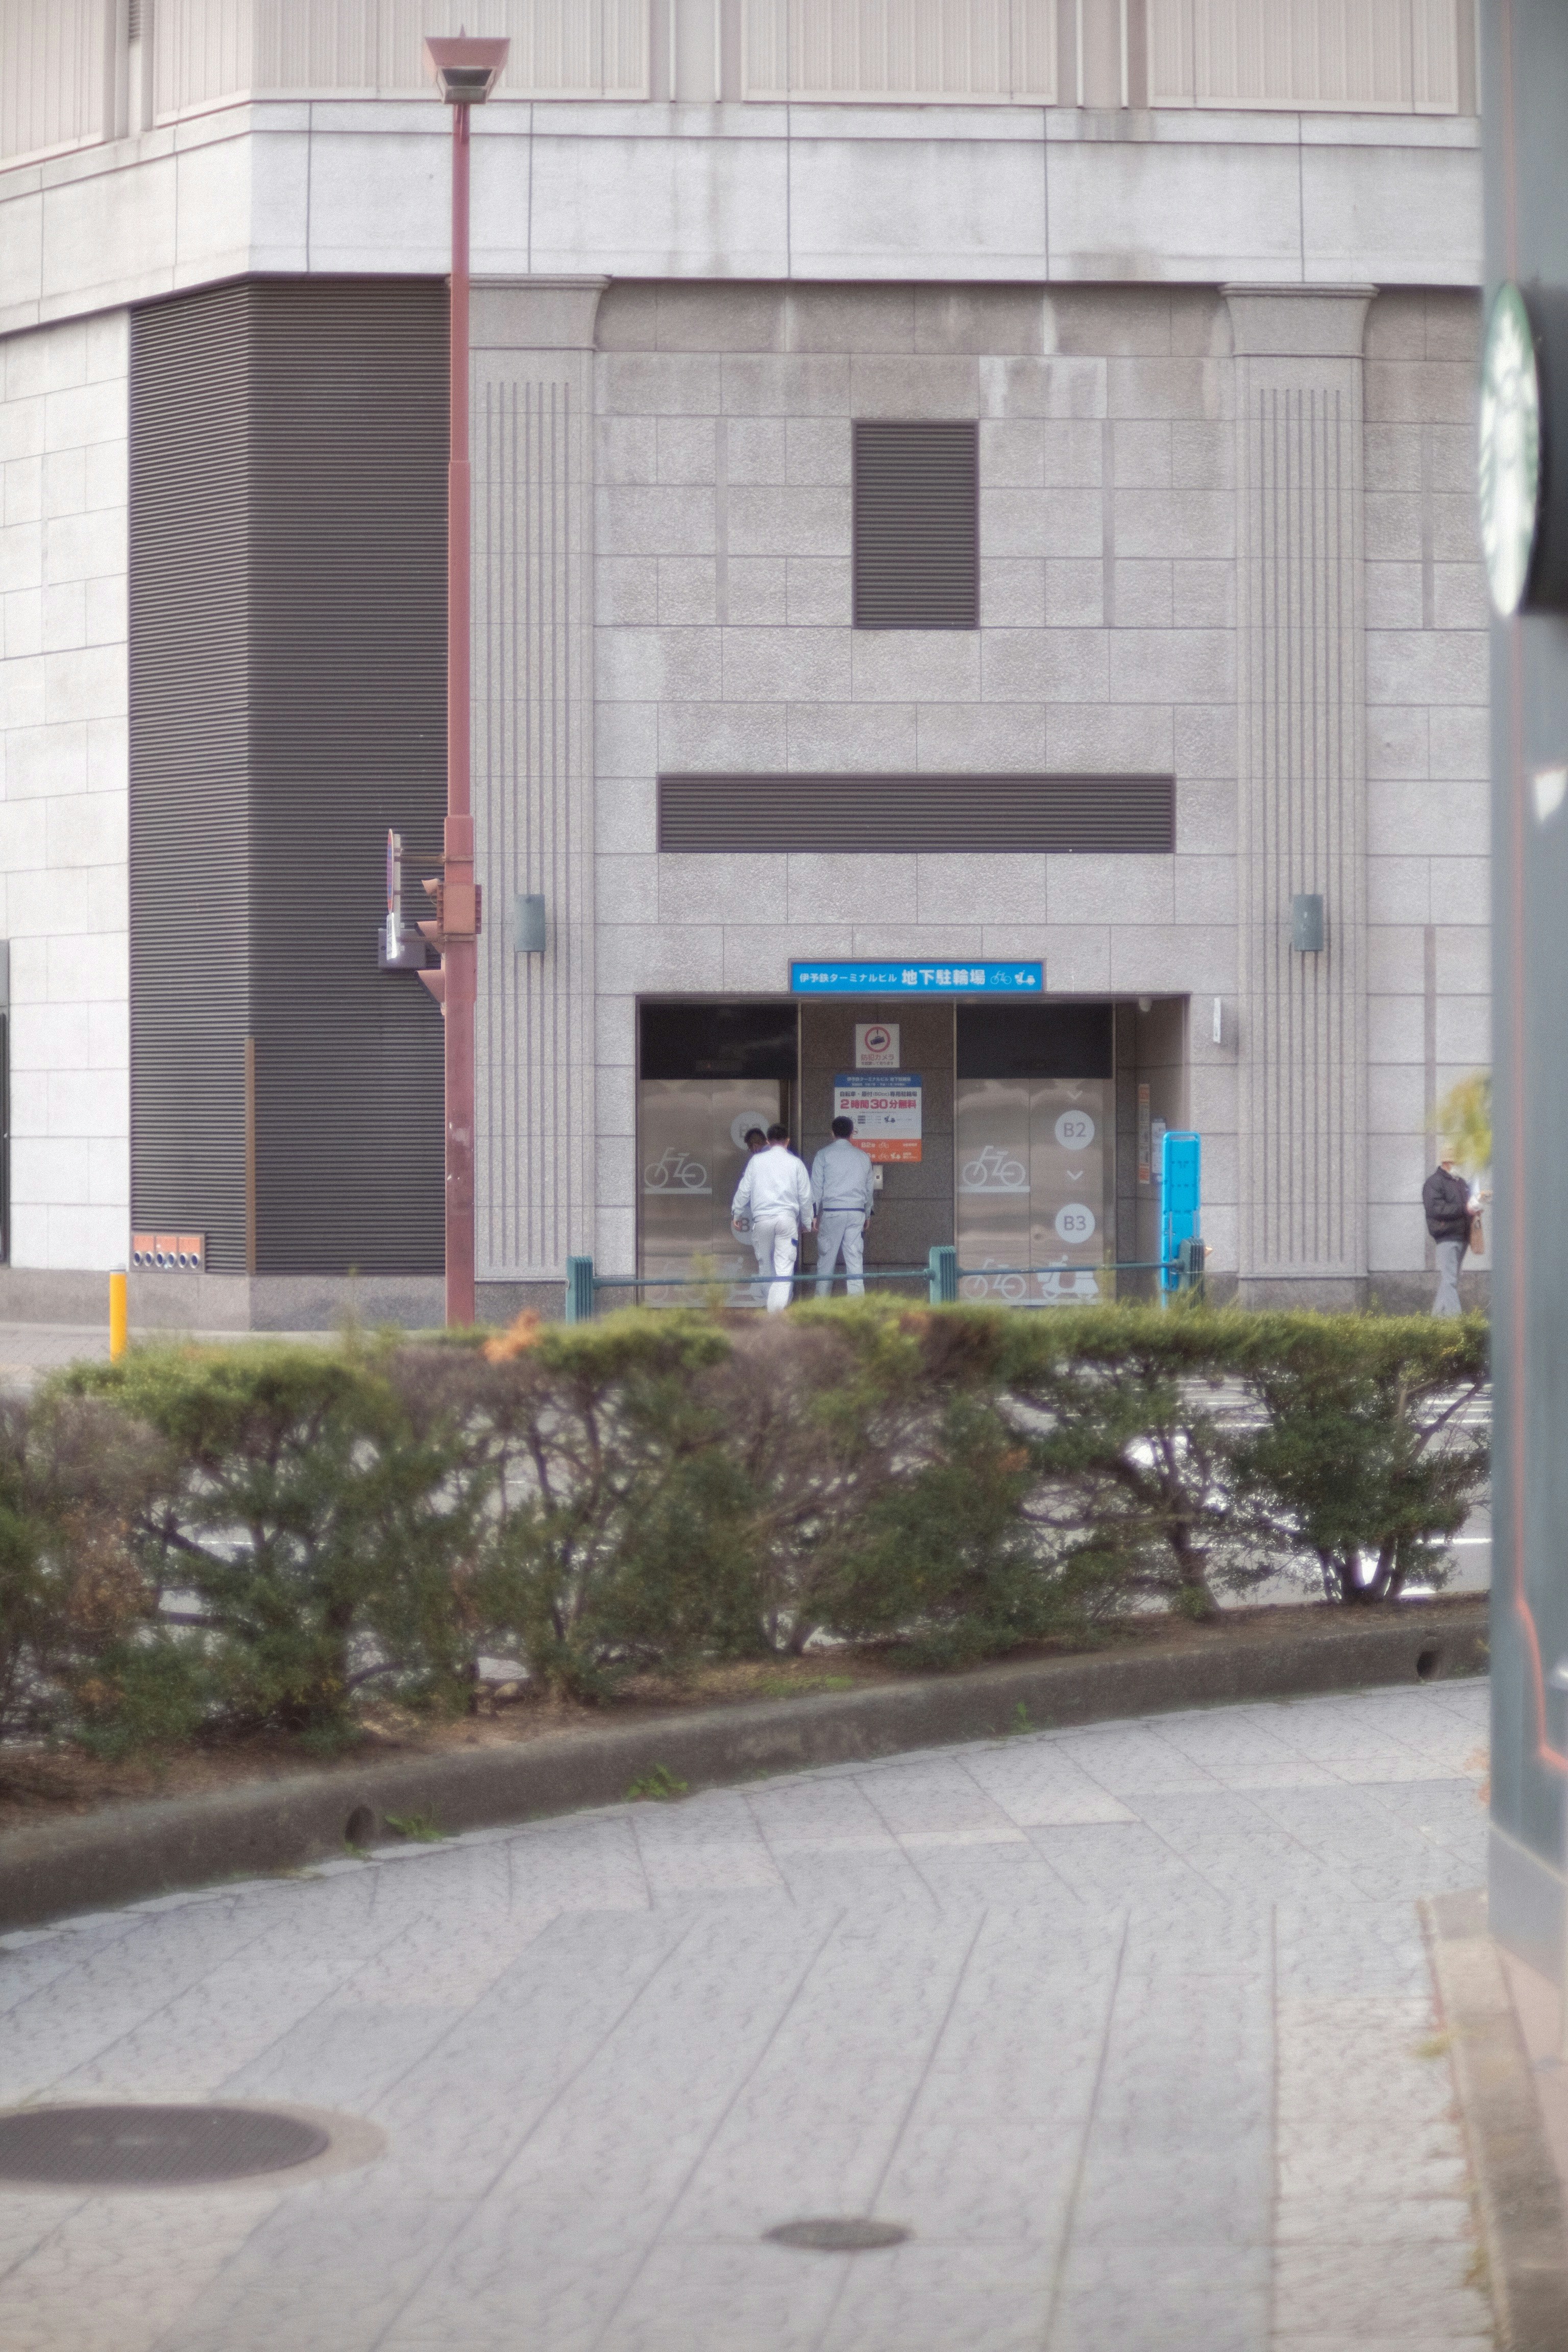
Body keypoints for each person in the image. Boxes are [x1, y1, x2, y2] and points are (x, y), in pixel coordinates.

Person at [731, 1122, 813, 1312]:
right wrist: (807, 1222)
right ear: (788, 1141)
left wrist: (737, 1212)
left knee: (766, 1267)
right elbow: (805, 1196)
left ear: (768, 1141)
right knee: (784, 1269)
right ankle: (778, 1313)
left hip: (762, 1221)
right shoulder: (796, 1163)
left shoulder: (756, 1162)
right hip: (787, 1220)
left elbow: (745, 1189)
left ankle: (770, 1310)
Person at [811, 1114, 876, 1297]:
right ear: (852, 1134)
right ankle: (857, 1308)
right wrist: (868, 1214)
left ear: (832, 1134)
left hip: (832, 1212)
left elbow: (816, 1187)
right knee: (855, 1261)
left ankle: (821, 1306)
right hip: (856, 1213)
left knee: (826, 1261)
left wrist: (813, 1214)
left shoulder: (823, 1155)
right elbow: (868, 1189)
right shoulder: (863, 1157)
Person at [1422, 1154, 1472, 1316]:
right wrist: (1465, 1209)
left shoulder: (1460, 1182)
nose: (1460, 1165)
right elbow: (1436, 1209)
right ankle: (1455, 1322)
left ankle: (1436, 1320)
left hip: (1461, 1235)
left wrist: (1475, 1207)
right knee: (1450, 1279)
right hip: (1446, 1235)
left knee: (1450, 1279)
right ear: (1446, 1162)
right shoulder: (1433, 1183)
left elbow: (1467, 1206)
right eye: (1457, 1162)